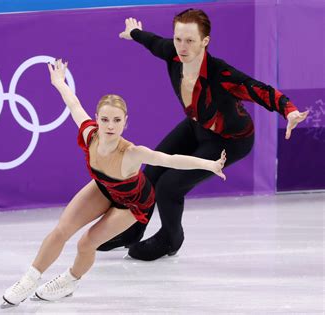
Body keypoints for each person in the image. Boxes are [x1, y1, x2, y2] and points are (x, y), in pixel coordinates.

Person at [1, 59, 227, 306]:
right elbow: (73, 104)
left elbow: (170, 159)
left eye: (117, 121)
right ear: (97, 118)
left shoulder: (131, 152)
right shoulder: (90, 135)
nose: (110, 126)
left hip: (131, 204)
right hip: (104, 188)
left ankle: (69, 281)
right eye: (105, 119)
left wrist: (209, 165)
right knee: (61, 230)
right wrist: (58, 82)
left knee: (86, 242)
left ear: (125, 122)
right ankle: (29, 279)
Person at [97, 9, 309, 261]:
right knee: (151, 173)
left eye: (190, 41)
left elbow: (259, 90)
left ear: (205, 41)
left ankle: (171, 238)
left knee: (169, 187)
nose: (182, 47)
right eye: (178, 39)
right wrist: (134, 33)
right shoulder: (173, 55)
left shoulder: (221, 74)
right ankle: (133, 230)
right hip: (197, 127)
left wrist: (290, 110)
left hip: (231, 141)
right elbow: (154, 42)